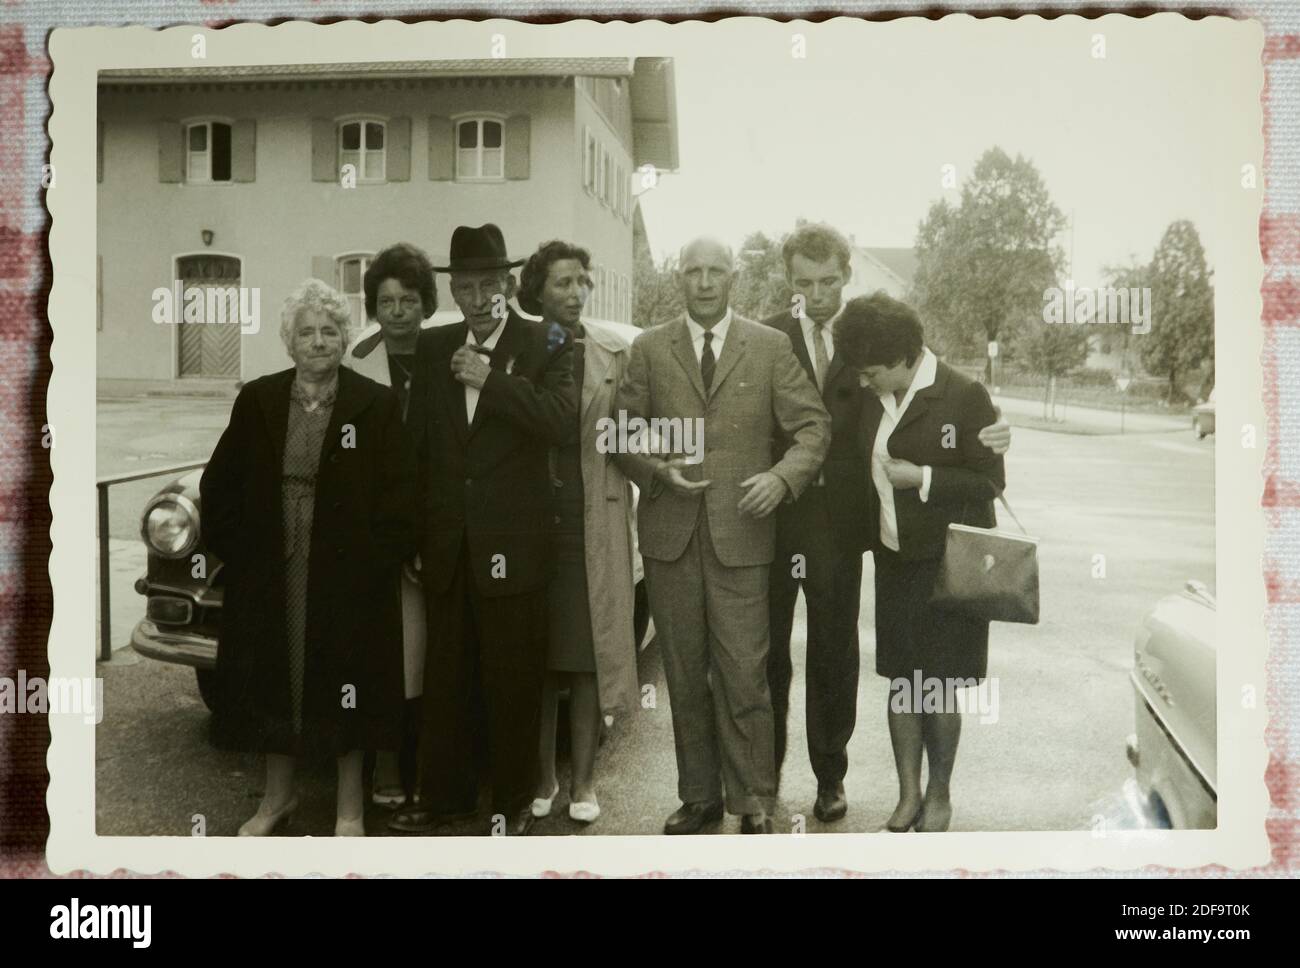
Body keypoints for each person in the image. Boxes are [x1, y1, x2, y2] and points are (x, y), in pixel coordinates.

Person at [762, 224, 1012, 824]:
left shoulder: (883, 349)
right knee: (788, 657)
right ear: (789, 282)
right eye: (803, 283)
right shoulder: (772, 339)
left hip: (876, 539)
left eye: (828, 280)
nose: (817, 294)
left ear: (847, 274)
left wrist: (980, 441)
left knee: (857, 660)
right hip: (814, 532)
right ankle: (768, 781)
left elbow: (972, 453)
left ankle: (852, 782)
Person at [614, 236, 830, 834]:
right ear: (677, 279)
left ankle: (754, 800)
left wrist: (781, 480)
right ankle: (700, 797)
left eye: (715, 271)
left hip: (743, 535)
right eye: (692, 272)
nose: (704, 282)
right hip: (670, 537)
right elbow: (621, 433)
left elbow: (813, 428)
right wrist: (657, 470)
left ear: (733, 278)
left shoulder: (769, 346)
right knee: (684, 674)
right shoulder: (650, 348)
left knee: (744, 673)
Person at [200, 278, 414, 837]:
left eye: (328, 330)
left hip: (348, 575)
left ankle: (349, 809)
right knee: (278, 679)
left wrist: (378, 562)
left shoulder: (376, 404)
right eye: (306, 332)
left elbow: (400, 495)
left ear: (343, 339)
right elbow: (219, 484)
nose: (318, 341)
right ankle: (278, 799)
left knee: (346, 683)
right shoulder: (259, 399)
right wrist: (241, 554)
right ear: (288, 342)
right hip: (275, 568)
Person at [389, 224, 577, 837]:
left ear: (505, 286)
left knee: (513, 684)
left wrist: (489, 381)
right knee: (449, 683)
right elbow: (418, 452)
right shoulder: (432, 345)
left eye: (487, 286)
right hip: (449, 548)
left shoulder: (548, 338)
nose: (476, 298)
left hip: (516, 550)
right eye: (464, 287)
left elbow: (559, 422)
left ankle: (513, 802)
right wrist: (417, 537)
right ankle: (447, 800)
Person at [834, 292, 1006, 833]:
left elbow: (990, 481)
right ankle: (907, 795)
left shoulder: (963, 395)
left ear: (906, 356)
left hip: (949, 565)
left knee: (941, 684)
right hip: (895, 561)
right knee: (903, 682)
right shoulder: (871, 396)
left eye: (872, 372)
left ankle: (939, 793)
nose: (864, 382)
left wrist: (924, 478)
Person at [516, 241, 640, 825]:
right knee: (537, 655)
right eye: (561, 283)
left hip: (596, 516)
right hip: (531, 520)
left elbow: (641, 432)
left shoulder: (615, 353)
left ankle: (585, 782)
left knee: (590, 655)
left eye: (580, 282)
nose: (573, 293)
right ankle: (541, 775)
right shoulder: (517, 348)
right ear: (537, 289)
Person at [343, 242, 437, 808]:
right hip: (376, 529)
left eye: (408, 299)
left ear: (426, 303)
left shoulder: (447, 356)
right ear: (373, 307)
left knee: (432, 654)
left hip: (436, 525)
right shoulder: (356, 362)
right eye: (386, 300)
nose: (398, 310)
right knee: (382, 652)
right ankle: (383, 765)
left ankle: (430, 764)